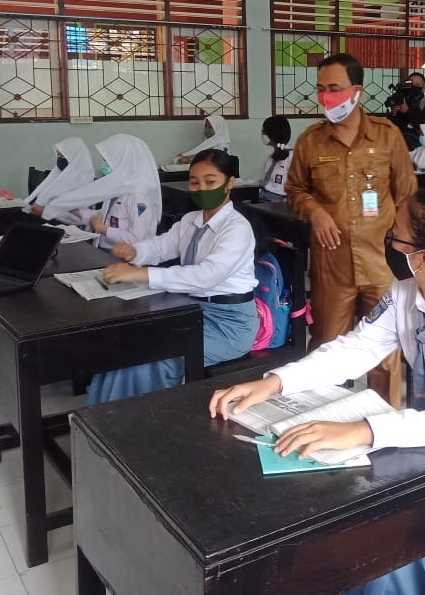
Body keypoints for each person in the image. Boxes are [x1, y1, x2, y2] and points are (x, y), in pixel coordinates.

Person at [208, 189, 425, 595]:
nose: (387, 239)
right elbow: (355, 350)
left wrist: (362, 430)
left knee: (403, 548)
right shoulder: (404, 293)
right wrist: (273, 382)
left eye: (395, 234)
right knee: (346, 516)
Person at [286, 52, 418, 407]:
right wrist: (314, 212)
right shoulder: (311, 141)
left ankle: (385, 425)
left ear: (357, 91)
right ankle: (320, 424)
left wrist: (407, 254)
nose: (326, 97)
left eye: (335, 88)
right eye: (321, 89)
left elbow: (407, 196)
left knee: (386, 354)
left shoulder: (387, 136)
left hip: (383, 265)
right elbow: (295, 190)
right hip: (332, 266)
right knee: (326, 349)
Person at [91, 149, 258, 404]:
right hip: (190, 309)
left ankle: (133, 417)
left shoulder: (237, 228)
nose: (201, 189)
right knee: (125, 341)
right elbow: (161, 247)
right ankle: (100, 414)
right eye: (194, 182)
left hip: (228, 325)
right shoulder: (191, 220)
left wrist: (142, 273)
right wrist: (136, 251)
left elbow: (205, 276)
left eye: (210, 181)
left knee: (153, 358)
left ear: (230, 182)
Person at [41, 134, 161, 250]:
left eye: (107, 160)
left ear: (123, 162)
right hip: (105, 249)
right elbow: (104, 216)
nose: (103, 164)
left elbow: (137, 238)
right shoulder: (118, 188)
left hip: (126, 257)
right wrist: (72, 209)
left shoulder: (138, 196)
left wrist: (103, 229)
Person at [24, 137, 95, 225]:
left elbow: (78, 219)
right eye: (58, 155)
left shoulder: (83, 182)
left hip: (59, 226)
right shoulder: (58, 174)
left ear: (75, 158)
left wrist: (43, 211)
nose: (59, 159)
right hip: (42, 218)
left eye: (62, 155)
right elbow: (40, 198)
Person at [259, 115, 292, 203]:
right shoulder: (271, 156)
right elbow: (267, 180)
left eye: (264, 132)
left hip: (279, 201)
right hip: (264, 197)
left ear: (272, 133)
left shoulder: (292, 157)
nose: (262, 135)